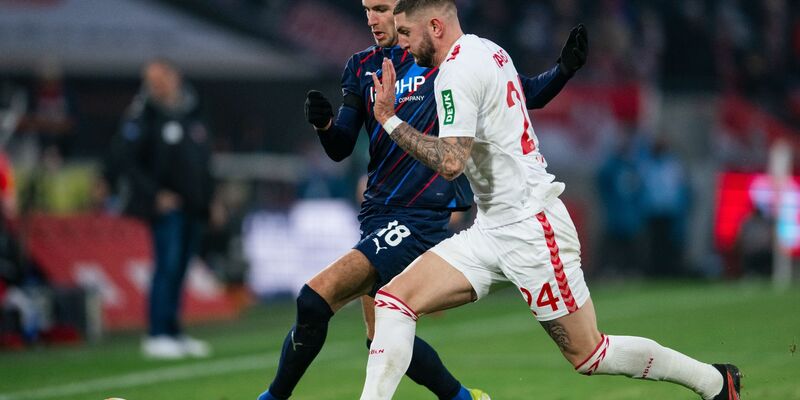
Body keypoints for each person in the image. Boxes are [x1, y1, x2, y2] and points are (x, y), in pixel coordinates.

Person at [360, 1, 741, 400]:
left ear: (435, 26)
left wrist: (389, 119)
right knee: (393, 300)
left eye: (406, 33)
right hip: (492, 228)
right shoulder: (489, 49)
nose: (401, 44)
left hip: (531, 229)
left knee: (590, 354)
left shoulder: (455, 73)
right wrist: (561, 71)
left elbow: (452, 161)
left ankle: (714, 382)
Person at [256, 0, 588, 398]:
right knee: (380, 337)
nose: (372, 20)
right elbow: (341, 145)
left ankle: (271, 397)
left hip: (420, 217)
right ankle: (463, 397)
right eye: (366, 10)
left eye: (381, 8)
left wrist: (564, 69)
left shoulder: (443, 58)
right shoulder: (361, 67)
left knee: (315, 299)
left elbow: (526, 92)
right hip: (378, 213)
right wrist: (326, 125)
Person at [116, 59, 213, 359]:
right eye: (150, 80)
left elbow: (203, 160)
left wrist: (212, 197)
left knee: (181, 268)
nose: (155, 85)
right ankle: (156, 333)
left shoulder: (191, 111)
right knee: (166, 267)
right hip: (165, 208)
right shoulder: (143, 115)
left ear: (175, 77)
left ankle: (173, 331)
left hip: (194, 206)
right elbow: (126, 160)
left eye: (160, 78)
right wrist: (154, 194)